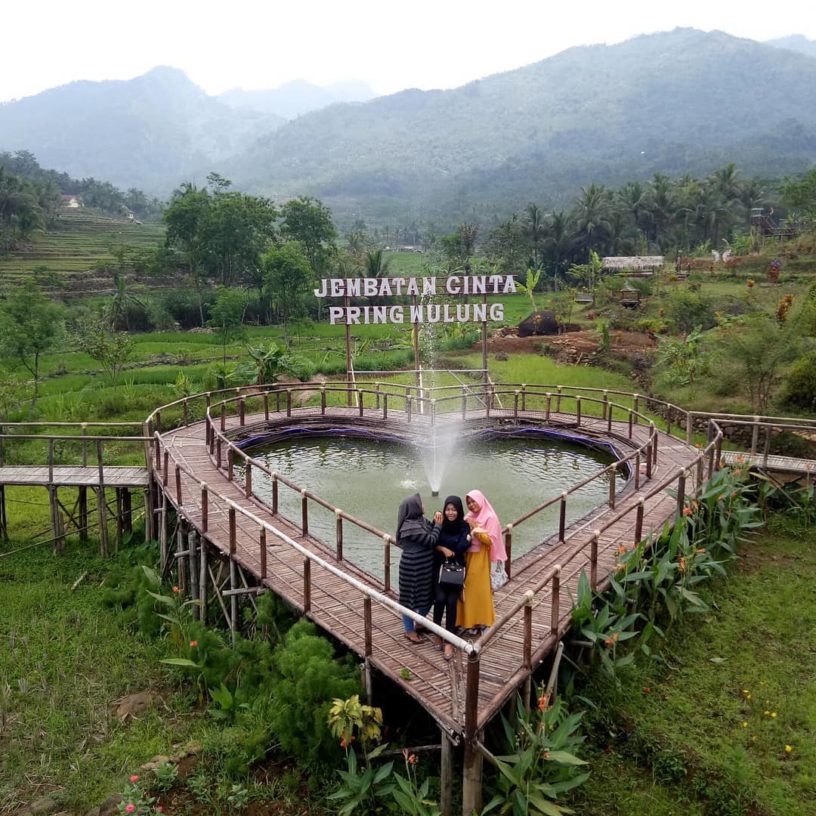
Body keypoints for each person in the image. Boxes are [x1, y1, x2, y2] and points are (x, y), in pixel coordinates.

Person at [457, 489, 507, 633]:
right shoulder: (469, 516)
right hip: (467, 556)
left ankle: (483, 621)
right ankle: (470, 622)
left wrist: (476, 527)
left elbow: (489, 540)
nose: (471, 505)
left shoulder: (490, 517)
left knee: (479, 590)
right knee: (467, 589)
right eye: (469, 503)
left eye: (473, 501)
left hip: (480, 558)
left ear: (480, 500)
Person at [396, 493, 443, 644]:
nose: (423, 505)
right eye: (421, 503)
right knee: (409, 600)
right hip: (411, 570)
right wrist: (438, 525)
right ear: (414, 507)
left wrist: (436, 521)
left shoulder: (420, 521)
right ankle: (409, 631)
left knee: (428, 596)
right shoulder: (409, 527)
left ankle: (420, 622)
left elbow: (431, 528)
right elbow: (431, 540)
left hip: (425, 569)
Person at [431, 496, 471, 660]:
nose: (450, 513)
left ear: (459, 510)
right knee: (439, 600)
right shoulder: (440, 523)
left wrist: (449, 547)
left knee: (451, 602)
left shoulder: (464, 525)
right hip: (439, 570)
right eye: (448, 509)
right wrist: (442, 548)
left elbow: (464, 544)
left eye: (454, 509)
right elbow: (432, 540)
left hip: (456, 571)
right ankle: (437, 633)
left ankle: (449, 640)